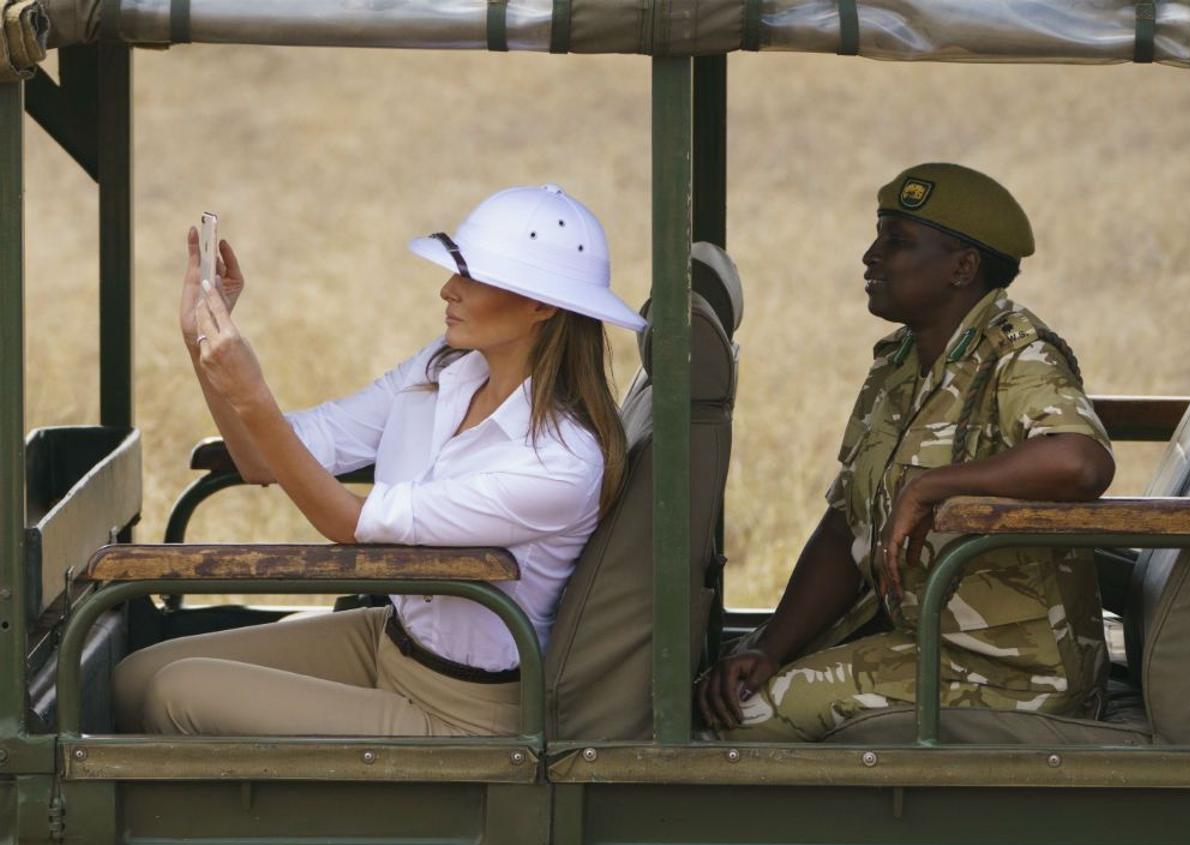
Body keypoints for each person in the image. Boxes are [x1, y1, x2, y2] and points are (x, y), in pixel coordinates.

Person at [115, 184, 645, 737]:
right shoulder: (443, 369)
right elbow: (263, 459)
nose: (447, 289)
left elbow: (346, 522)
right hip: (391, 642)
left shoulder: (560, 462)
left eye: (473, 275)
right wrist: (201, 344)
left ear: (541, 305)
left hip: (466, 714)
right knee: (134, 678)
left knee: (177, 695)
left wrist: (253, 396)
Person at [698, 163, 1115, 740]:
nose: (871, 256)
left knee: (746, 719)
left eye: (896, 242)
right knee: (720, 684)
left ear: (962, 268)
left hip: (1013, 668)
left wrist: (931, 488)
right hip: (924, 638)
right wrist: (769, 646)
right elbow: (846, 525)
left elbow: (1081, 461)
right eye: (879, 237)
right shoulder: (898, 361)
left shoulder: (1018, 354)